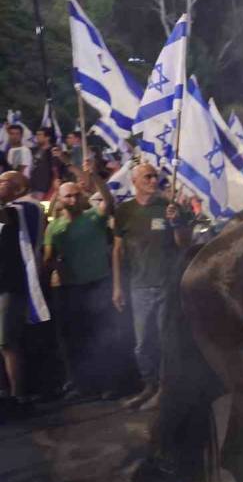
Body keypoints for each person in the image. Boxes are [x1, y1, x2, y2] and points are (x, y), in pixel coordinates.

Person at [112, 163, 191, 410]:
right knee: (143, 343)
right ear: (134, 180)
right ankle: (150, 386)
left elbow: (184, 244)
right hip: (138, 287)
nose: (153, 179)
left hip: (167, 285)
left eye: (155, 175)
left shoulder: (168, 207)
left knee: (167, 341)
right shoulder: (124, 211)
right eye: (148, 176)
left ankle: (167, 390)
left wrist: (176, 222)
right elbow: (117, 250)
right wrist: (117, 286)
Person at [44, 160, 118, 399]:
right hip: (71, 289)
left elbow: (108, 200)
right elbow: (48, 257)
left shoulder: (93, 217)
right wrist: (56, 268)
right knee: (78, 340)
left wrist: (94, 175)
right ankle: (81, 385)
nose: (73, 200)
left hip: (99, 285)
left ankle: (109, 383)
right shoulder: (54, 228)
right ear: (60, 198)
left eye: (77, 195)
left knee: (103, 337)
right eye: (68, 197)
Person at [0, 171, 48, 418]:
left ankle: (19, 397)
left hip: (12, 286)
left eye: (2, 181)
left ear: (18, 188)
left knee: (8, 342)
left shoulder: (26, 208)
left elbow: (6, 215)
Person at [28, 128, 59, 200]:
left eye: (40, 135)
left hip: (45, 189)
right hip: (32, 187)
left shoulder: (54, 151)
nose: (37, 137)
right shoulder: (34, 150)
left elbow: (56, 170)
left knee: (44, 210)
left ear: (47, 137)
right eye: (36, 134)